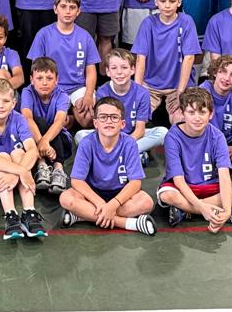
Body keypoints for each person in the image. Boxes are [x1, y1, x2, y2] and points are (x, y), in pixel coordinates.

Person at [158, 87, 232, 230]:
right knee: (167, 196)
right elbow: (178, 181)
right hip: (185, 187)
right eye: (191, 112)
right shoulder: (172, 137)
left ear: (211, 114)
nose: (197, 118)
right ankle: (223, 211)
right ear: (182, 113)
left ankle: (187, 211)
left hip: (212, 187)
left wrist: (226, 210)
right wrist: (202, 207)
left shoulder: (217, 136)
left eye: (202, 112)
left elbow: (224, 176)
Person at [57, 97, 157, 234]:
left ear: (122, 124)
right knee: (66, 198)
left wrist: (113, 204)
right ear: (95, 123)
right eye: (103, 117)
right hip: (93, 195)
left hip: (120, 195)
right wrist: (101, 204)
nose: (109, 121)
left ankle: (82, 216)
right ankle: (127, 223)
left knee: (146, 202)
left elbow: (135, 183)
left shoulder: (129, 144)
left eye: (114, 117)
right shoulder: (87, 143)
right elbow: (77, 181)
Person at [0, 78, 44, 240]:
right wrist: (21, 172)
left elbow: (33, 149)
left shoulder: (19, 119)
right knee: (3, 156)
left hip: (13, 174)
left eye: (5, 101)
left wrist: (18, 172)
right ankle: (10, 215)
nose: (1, 105)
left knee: (19, 153)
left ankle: (29, 212)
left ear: (13, 103)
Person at [28, 0, 100, 129]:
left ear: (78, 11)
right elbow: (36, 68)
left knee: (88, 118)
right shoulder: (43, 34)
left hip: (77, 87)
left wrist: (89, 94)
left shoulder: (85, 36)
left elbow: (91, 70)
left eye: (72, 7)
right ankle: (68, 119)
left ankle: (72, 118)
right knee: (49, 121)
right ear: (55, 9)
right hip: (52, 87)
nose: (68, 11)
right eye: (63, 7)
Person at [132, 0, 201, 127]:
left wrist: (180, 92)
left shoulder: (186, 21)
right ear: (156, 2)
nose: (167, 5)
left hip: (178, 86)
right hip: (150, 85)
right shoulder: (148, 23)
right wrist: (137, 91)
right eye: (163, 1)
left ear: (179, 3)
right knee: (135, 117)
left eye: (172, 1)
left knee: (182, 120)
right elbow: (140, 59)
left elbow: (189, 58)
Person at [21, 56, 74, 193]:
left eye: (49, 78)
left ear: (56, 80)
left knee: (53, 126)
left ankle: (58, 169)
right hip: (35, 140)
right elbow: (27, 117)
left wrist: (44, 141)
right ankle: (42, 165)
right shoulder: (27, 92)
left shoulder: (62, 95)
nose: (44, 82)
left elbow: (59, 121)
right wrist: (41, 143)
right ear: (32, 80)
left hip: (58, 143)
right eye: (39, 78)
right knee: (38, 121)